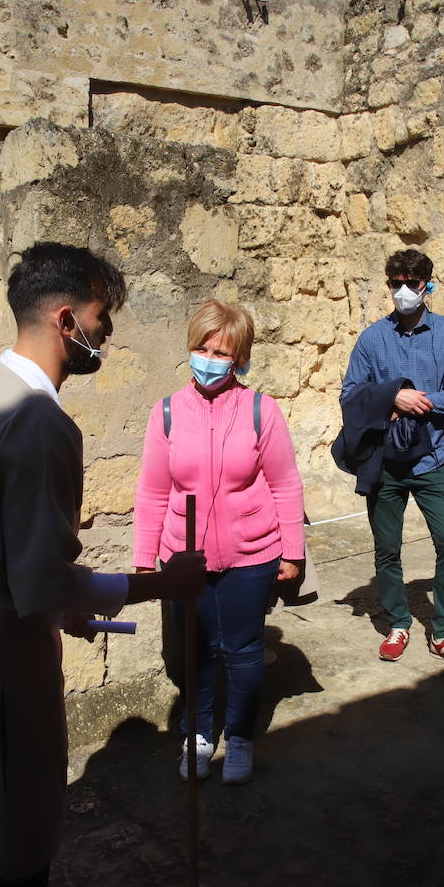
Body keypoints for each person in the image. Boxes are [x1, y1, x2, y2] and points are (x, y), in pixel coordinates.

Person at [0, 243, 206, 887]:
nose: (107, 332)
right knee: (0, 825)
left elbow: (5, 550)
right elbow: (43, 583)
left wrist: (50, 599)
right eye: (102, 316)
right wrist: (168, 584)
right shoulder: (40, 423)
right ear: (66, 318)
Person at [132, 299, 306, 785]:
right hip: (184, 557)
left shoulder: (260, 411)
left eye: (221, 352)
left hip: (251, 555)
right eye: (201, 348)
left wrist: (292, 551)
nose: (209, 359)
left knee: (245, 649)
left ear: (241, 359)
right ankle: (198, 734)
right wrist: (146, 560)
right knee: (196, 651)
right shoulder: (165, 413)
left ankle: (241, 736)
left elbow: (285, 483)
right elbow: (152, 490)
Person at [340, 249, 444, 670]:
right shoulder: (372, 338)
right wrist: (390, 396)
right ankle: (399, 622)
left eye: (411, 284)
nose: (402, 291)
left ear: (427, 286)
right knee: (387, 547)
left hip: (432, 459)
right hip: (384, 462)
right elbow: (350, 393)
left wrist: (418, 401)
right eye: (395, 283)